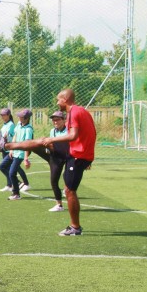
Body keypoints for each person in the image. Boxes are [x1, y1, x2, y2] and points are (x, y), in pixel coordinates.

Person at [41, 89, 96, 236]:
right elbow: (91, 132)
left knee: (69, 191)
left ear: (65, 99)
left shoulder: (74, 112)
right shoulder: (80, 111)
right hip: (80, 154)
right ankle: (75, 226)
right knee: (68, 189)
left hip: (79, 155)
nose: (57, 102)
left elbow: (73, 135)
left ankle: (75, 227)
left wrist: (51, 139)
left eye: (59, 99)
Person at [2, 109, 34, 201]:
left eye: (20, 116)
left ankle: (16, 193)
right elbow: (15, 136)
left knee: (12, 173)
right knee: (2, 166)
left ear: (26, 118)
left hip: (20, 154)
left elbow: (28, 144)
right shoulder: (18, 125)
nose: (18, 117)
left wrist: (26, 158)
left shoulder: (29, 129)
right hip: (14, 152)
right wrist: (12, 149)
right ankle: (20, 184)